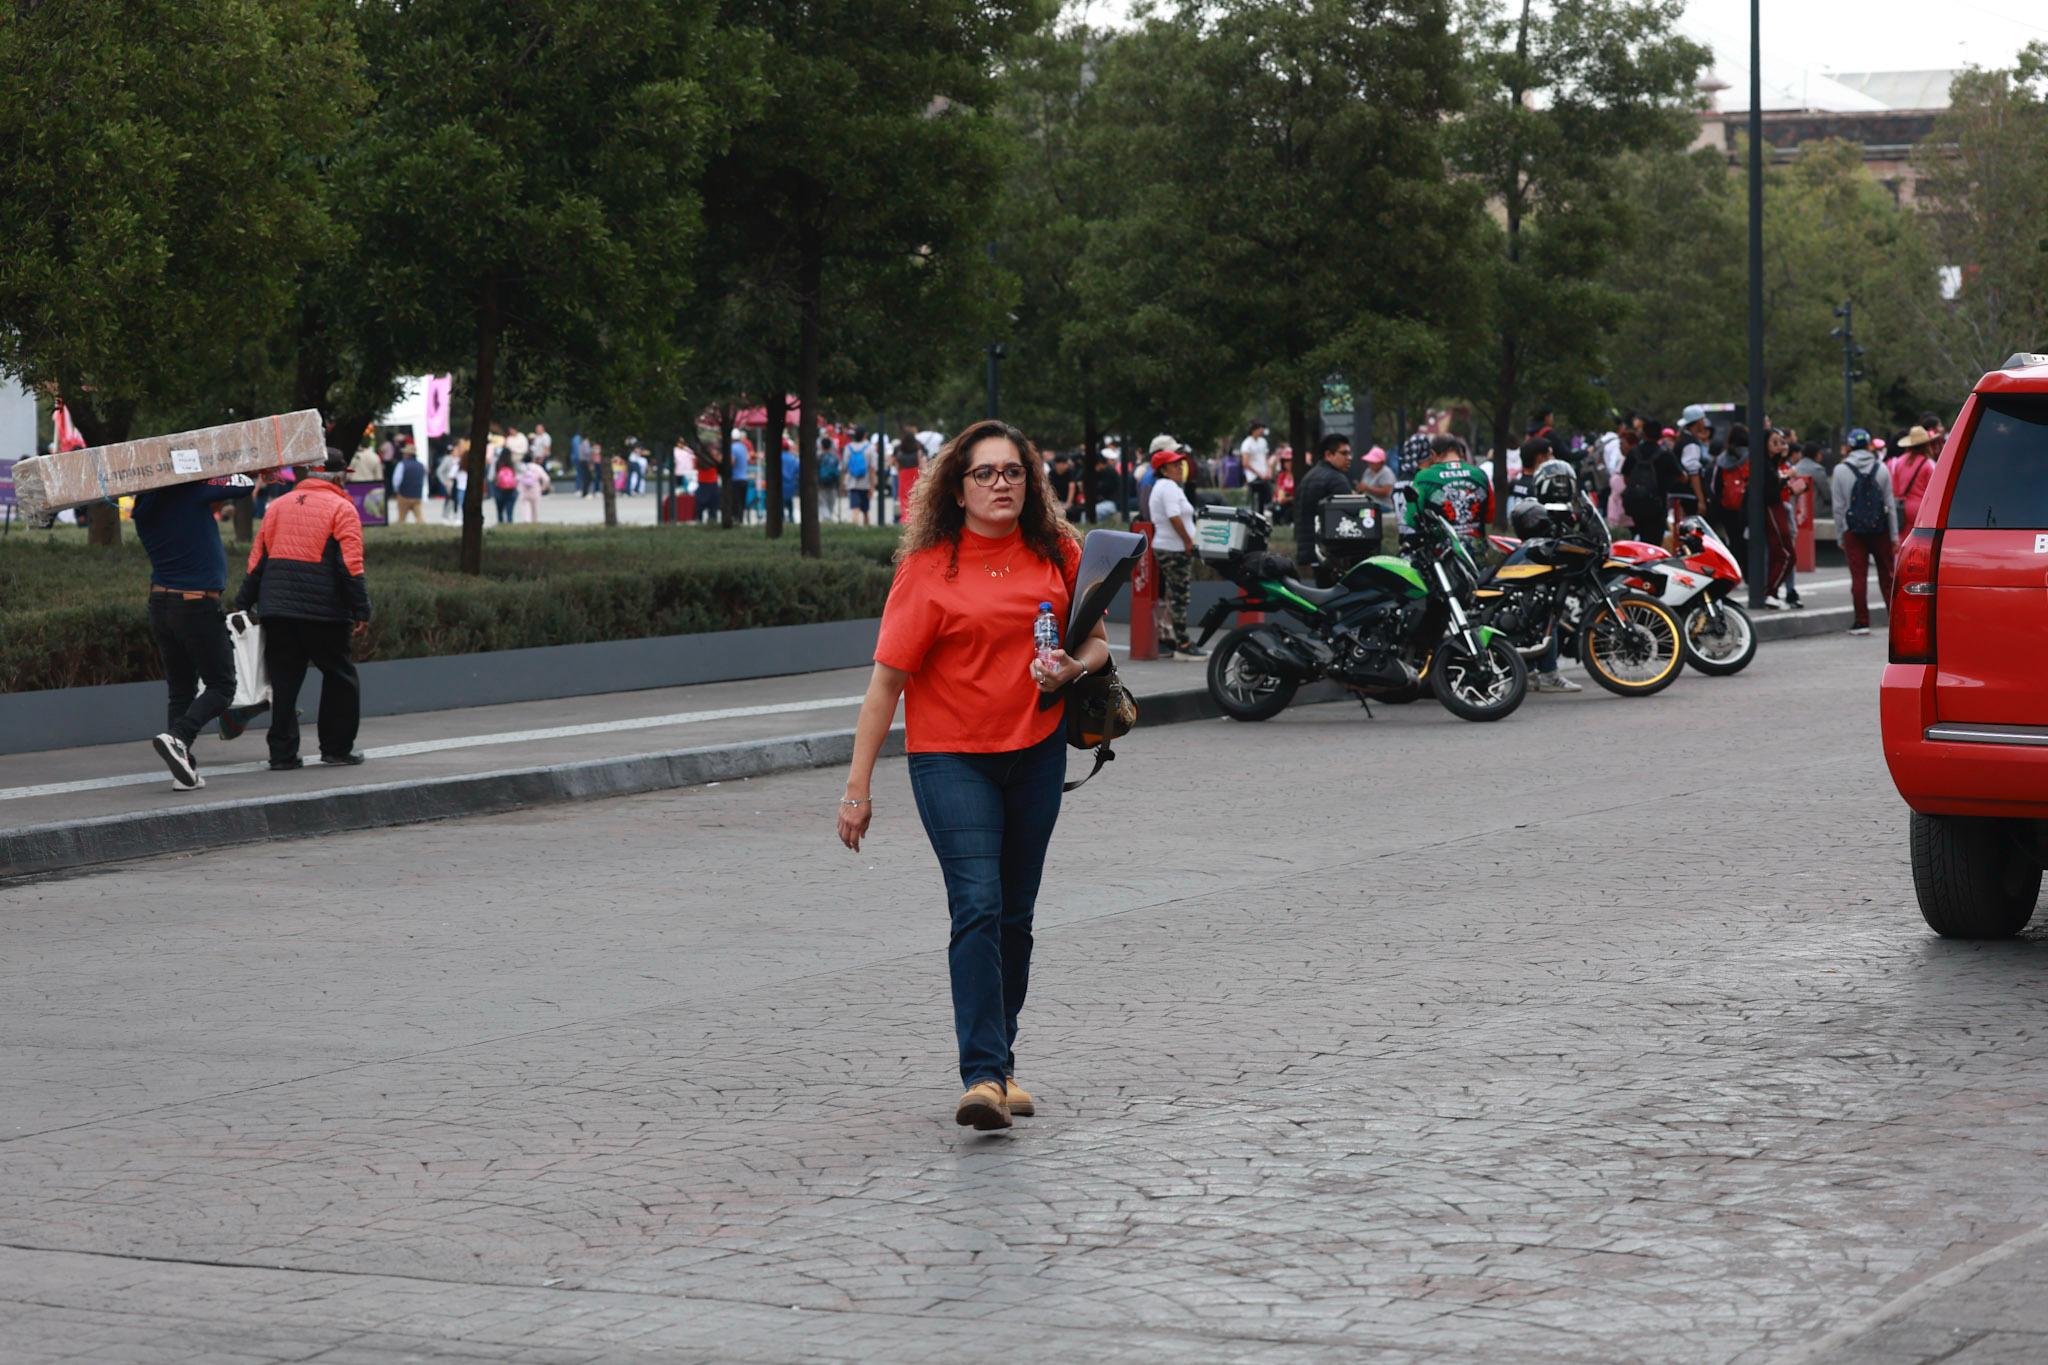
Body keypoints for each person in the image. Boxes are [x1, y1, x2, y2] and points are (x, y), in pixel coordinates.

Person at [836, 418, 1109, 1132]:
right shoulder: (930, 568)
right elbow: (885, 685)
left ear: (1030, 482)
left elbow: (1098, 643)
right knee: (979, 904)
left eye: (1013, 471)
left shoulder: (1058, 553)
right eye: (984, 473)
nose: (1000, 484)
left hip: (1036, 751)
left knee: (1015, 915)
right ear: (957, 490)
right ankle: (982, 1075)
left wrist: (1072, 667)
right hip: (950, 757)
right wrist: (857, 788)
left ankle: (1003, 1059)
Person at [235, 448, 370, 769]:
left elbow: (257, 562)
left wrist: (241, 604)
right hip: (324, 612)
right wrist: (361, 609)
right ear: (339, 477)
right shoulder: (343, 508)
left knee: (284, 681)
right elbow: (350, 565)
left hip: (277, 609)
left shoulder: (277, 506)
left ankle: (282, 755)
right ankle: (336, 749)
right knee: (339, 676)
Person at [133, 470, 265, 790]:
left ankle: (184, 770)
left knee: (180, 690)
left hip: (160, 604)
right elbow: (242, 484)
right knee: (222, 686)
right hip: (196, 605)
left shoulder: (143, 506)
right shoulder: (191, 492)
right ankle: (179, 738)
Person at [1832, 430, 1898, 636]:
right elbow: (1890, 505)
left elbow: (1838, 508)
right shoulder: (1882, 468)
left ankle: (1862, 622)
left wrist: (1840, 535)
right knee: (1887, 577)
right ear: (1869, 445)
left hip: (1853, 531)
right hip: (1880, 530)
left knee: (1858, 578)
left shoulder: (1840, 470)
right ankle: (1896, 620)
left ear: (1849, 447)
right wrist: (1894, 536)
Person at [1147, 444, 1206, 661]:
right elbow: (1174, 516)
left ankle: (1175, 638)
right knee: (1180, 596)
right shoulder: (1169, 487)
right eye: (1175, 465)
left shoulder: (1163, 486)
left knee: (1174, 595)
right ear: (1163, 470)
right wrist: (1188, 541)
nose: (1181, 468)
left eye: (1180, 464)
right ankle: (1183, 643)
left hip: (1170, 547)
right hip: (1174, 548)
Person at [1407, 434, 1493, 555]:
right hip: (1477, 552)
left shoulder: (1423, 477)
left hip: (1442, 556)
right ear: (1460, 452)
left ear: (1433, 454)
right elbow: (1490, 517)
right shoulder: (1480, 474)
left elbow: (1411, 520)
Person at [1292, 432, 1354, 575]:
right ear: (1328, 455)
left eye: (1349, 453)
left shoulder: (1309, 476)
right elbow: (1348, 517)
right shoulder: (1337, 479)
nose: (1349, 458)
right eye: (1344, 453)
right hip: (1329, 556)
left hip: (1307, 552)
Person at [1618, 427, 1666, 546]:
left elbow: (1626, 477)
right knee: (1654, 541)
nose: (1620, 446)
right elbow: (1681, 476)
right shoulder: (1665, 453)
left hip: (1635, 505)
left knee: (1640, 538)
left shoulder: (1633, 453)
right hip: (1657, 506)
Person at [1890, 425, 1938, 529]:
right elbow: (1935, 492)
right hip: (1922, 510)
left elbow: (1895, 490)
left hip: (1903, 510)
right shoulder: (1928, 464)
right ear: (1926, 444)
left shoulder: (1899, 462)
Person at [1672, 406, 1712, 528]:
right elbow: (1693, 472)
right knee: (1693, 530)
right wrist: (1701, 500)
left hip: (1680, 493)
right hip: (1689, 495)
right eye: (1702, 420)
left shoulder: (1683, 439)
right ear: (1698, 421)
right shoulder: (1691, 444)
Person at [1356, 446, 1397, 549]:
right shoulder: (1368, 471)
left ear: (1381, 462)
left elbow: (1386, 491)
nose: (1370, 463)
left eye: (1373, 461)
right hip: (1368, 502)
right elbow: (1363, 487)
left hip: (1384, 505)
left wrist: (1367, 488)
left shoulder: (1386, 473)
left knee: (1363, 512)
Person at [1239, 422, 1273, 514]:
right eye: (1260, 428)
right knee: (1258, 498)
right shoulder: (1247, 443)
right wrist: (1259, 474)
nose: (1262, 431)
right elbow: (1245, 463)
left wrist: (1269, 470)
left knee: (1266, 497)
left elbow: (1266, 458)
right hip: (1254, 476)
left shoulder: (1263, 441)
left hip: (1264, 474)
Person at [391, 443, 428, 524]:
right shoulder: (422, 465)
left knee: (401, 519)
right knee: (419, 519)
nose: (403, 455)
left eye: (404, 453)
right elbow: (423, 479)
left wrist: (396, 490)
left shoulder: (401, 464)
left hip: (404, 495)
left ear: (408, 454)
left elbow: (396, 480)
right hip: (417, 496)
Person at [845, 429, 873, 525]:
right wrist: (873, 485)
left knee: (855, 508)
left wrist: (843, 484)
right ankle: (867, 528)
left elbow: (845, 466)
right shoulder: (869, 448)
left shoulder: (848, 448)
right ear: (864, 435)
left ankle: (855, 528)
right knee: (866, 510)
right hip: (866, 483)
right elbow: (872, 468)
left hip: (852, 483)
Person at [516, 452, 552, 523]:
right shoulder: (537, 467)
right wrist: (543, 488)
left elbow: (516, 479)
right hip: (535, 490)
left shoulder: (520, 468)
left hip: (523, 491)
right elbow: (546, 479)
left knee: (525, 509)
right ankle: (534, 524)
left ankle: (527, 522)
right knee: (535, 510)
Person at [490, 449, 519, 524]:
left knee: (500, 512)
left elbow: (491, 477)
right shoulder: (512, 463)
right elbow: (516, 477)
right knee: (510, 513)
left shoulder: (497, 463)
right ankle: (509, 525)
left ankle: (500, 525)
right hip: (511, 490)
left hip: (499, 490)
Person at [817, 436, 842, 523]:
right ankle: (829, 518)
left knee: (822, 503)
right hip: (833, 484)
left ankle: (826, 519)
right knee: (831, 503)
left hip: (821, 484)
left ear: (821, 446)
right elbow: (838, 470)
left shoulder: (819, 457)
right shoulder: (835, 457)